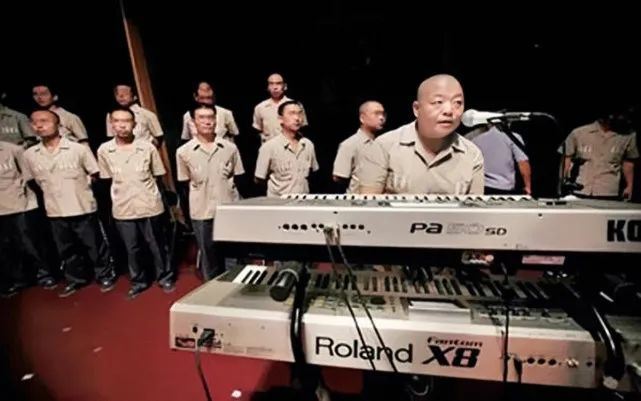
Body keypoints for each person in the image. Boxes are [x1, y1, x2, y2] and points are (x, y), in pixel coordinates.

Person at [23, 110, 116, 297]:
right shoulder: (30, 154)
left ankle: (104, 274)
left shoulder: (78, 149)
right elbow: (32, 181)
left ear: (58, 125)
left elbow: (94, 173)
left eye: (44, 121)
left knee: (94, 245)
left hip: (81, 205)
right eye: (35, 122)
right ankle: (75, 279)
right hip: (54, 208)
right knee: (66, 248)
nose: (39, 126)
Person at [356, 74, 484, 194]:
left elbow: (476, 209)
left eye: (457, 103)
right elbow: (368, 203)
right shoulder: (384, 146)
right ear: (417, 109)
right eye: (438, 102)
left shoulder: (472, 155)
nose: (449, 110)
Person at [98, 107, 174, 299]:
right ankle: (138, 281)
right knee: (131, 248)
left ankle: (164, 277)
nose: (121, 125)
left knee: (157, 245)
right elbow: (107, 178)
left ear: (134, 124)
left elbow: (158, 175)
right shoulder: (104, 150)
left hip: (149, 204)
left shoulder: (147, 147)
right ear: (111, 124)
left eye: (126, 121)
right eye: (117, 121)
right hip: (123, 207)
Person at [176, 103, 244, 280]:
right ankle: (212, 289)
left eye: (211, 117)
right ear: (193, 122)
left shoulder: (230, 148)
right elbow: (184, 182)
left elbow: (238, 176)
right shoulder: (183, 152)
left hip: (228, 208)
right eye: (202, 118)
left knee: (233, 255)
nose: (207, 122)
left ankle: (234, 288)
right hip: (202, 211)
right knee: (209, 256)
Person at [0, 140, 56, 297]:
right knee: (6, 247)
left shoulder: (13, 150)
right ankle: (18, 280)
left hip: (20, 203)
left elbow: (28, 178)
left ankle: (44, 274)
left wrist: (28, 200)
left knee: (30, 243)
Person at [561, 110, 638, 200]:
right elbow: (566, 159)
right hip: (580, 189)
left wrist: (629, 186)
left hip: (608, 191)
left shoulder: (627, 136)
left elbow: (628, 162)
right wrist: (563, 181)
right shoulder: (579, 133)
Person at [254, 100, 319, 197]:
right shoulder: (269, 147)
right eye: (292, 113)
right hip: (278, 203)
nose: (297, 118)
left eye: (299, 113)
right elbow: (259, 179)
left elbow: (314, 174)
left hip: (303, 202)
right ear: (280, 119)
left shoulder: (308, 145)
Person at [332, 101, 386, 193]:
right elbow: (339, 177)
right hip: (357, 199)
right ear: (362, 118)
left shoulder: (384, 143)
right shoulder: (349, 145)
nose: (381, 118)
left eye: (383, 114)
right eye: (376, 114)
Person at [465, 123, 532, 195]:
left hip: (482, 188)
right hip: (504, 189)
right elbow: (523, 163)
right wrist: (528, 187)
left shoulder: (474, 138)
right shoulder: (513, 138)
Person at [252, 73, 308, 143]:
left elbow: (302, 127)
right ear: (268, 87)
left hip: (291, 145)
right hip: (269, 146)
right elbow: (258, 129)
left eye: (278, 83)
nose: (275, 87)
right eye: (271, 84)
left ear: (285, 86)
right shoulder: (260, 107)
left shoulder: (296, 106)